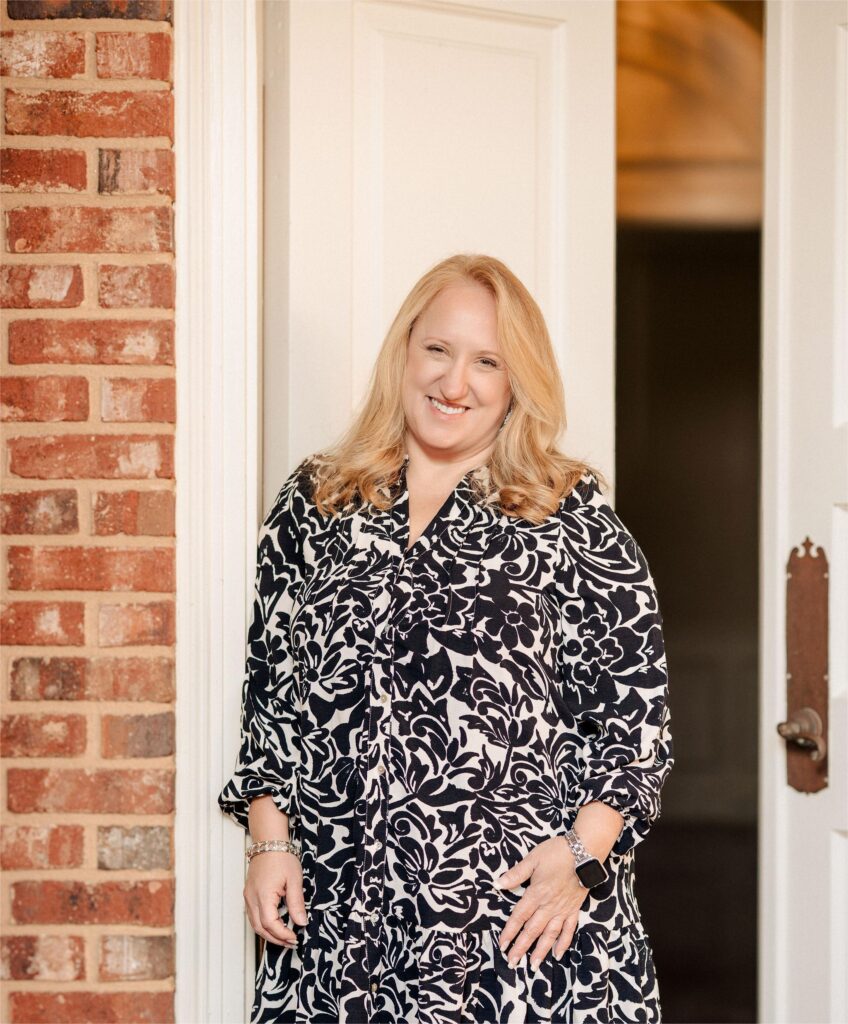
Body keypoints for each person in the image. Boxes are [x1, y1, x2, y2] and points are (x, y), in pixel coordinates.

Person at [218, 253, 674, 1024]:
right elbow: (271, 696)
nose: (454, 382)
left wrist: (580, 859)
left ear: (517, 380)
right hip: (339, 930)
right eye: (438, 349)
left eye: (486, 361)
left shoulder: (568, 514)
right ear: (405, 350)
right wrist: (270, 843)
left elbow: (635, 727)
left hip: (517, 934)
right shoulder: (318, 500)